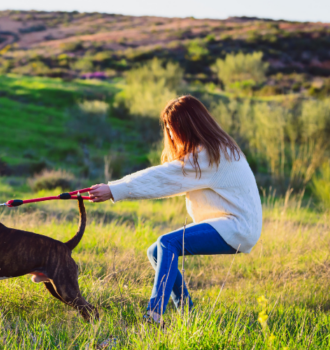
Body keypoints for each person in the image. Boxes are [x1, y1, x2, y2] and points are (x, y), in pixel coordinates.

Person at [89, 95, 262, 325]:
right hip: (230, 223)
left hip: (238, 226)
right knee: (155, 252)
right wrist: (114, 189)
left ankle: (154, 314)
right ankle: (189, 316)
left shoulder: (209, 156)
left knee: (167, 242)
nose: (170, 135)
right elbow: (167, 176)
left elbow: (162, 177)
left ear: (188, 126)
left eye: (172, 129)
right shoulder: (213, 149)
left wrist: (113, 189)